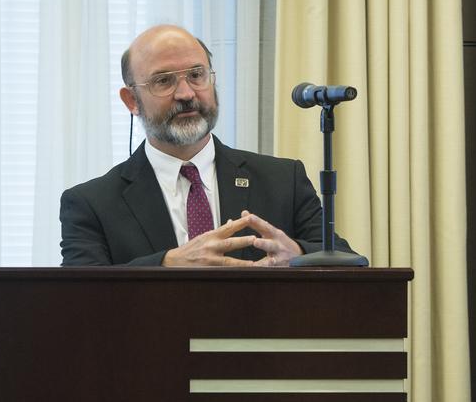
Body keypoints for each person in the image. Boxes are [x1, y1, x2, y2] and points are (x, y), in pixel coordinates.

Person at [60, 24, 352, 266]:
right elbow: (79, 299)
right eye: (164, 81)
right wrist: (166, 264)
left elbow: (349, 263)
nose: (186, 93)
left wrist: (297, 256)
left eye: (197, 75)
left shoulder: (282, 180)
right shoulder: (91, 204)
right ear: (132, 100)